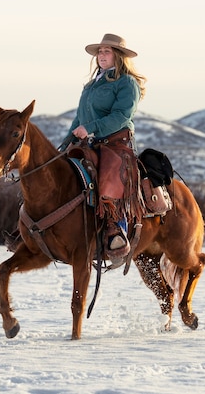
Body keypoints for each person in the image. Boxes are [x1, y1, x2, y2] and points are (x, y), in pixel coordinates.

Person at [65, 33, 147, 258]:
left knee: (109, 176)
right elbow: (79, 117)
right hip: (89, 142)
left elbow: (121, 115)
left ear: (118, 56)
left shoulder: (127, 83)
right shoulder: (91, 85)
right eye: (99, 51)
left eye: (107, 51)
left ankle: (115, 228)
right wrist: (67, 142)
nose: (101, 55)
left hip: (116, 143)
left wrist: (90, 128)